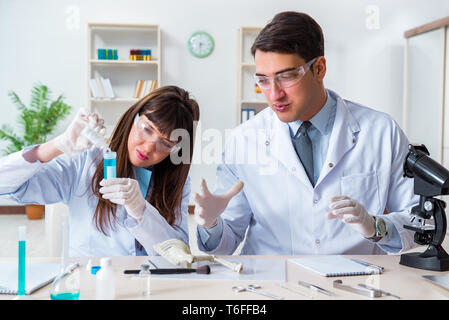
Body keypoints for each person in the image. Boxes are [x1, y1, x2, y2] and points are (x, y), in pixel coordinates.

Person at [193, 11, 420, 255]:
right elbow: (226, 243)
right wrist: (212, 224)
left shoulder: (381, 132)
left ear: (319, 68)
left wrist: (377, 227)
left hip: (353, 284)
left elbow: (420, 222)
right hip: (272, 285)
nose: (274, 94)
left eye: (286, 77)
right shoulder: (244, 140)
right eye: (264, 80)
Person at [0, 85, 200, 256]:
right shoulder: (84, 162)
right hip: (88, 283)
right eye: (147, 129)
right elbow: (5, 184)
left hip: (146, 286)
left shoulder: (175, 182)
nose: (148, 147)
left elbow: (178, 253)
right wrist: (57, 145)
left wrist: (141, 211)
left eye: (165, 143)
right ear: (133, 118)